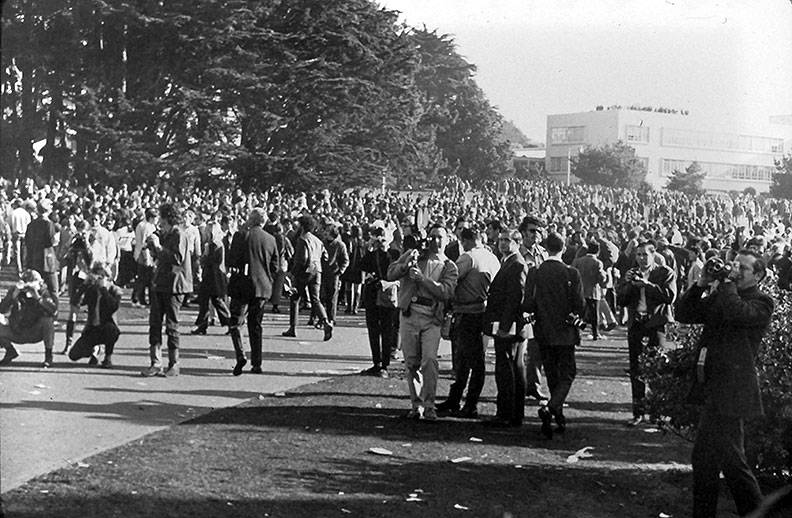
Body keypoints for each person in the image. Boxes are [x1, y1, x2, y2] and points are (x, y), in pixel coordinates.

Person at [676, 250, 773, 518]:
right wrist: (701, 284)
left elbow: (735, 313)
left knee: (732, 462)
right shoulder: (724, 295)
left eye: (743, 268)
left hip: (733, 390)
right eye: (734, 265)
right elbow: (684, 313)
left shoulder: (762, 302)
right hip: (713, 386)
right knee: (707, 459)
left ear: (759, 275)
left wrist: (727, 285)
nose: (735, 271)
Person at [388, 224, 458, 421]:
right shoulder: (416, 255)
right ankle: (416, 404)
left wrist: (422, 279)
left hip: (432, 318)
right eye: (433, 237)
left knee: (429, 360)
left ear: (447, 239)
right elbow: (391, 273)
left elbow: (445, 292)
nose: (436, 241)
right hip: (410, 314)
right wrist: (405, 265)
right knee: (411, 362)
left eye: (440, 237)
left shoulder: (449, 266)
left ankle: (429, 405)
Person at [524, 232, 585, 439]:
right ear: (564, 248)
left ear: (546, 247)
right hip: (565, 333)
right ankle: (551, 409)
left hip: (543, 331)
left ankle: (557, 415)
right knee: (567, 374)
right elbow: (580, 305)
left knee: (552, 374)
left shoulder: (536, 271)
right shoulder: (571, 273)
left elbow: (527, 304)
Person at [436, 227, 500, 419]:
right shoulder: (491, 258)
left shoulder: (468, 257)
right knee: (474, 358)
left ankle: (467, 403)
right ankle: (458, 399)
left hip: (467, 311)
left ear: (464, 240)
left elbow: (451, 279)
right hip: (484, 311)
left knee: (466, 358)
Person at [616, 240, 677, 426]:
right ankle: (638, 412)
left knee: (658, 369)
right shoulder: (633, 273)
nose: (642, 259)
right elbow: (622, 300)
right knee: (636, 369)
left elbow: (669, 296)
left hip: (656, 325)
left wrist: (646, 284)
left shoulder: (664, 272)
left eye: (645, 255)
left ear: (653, 255)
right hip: (637, 324)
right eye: (639, 255)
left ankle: (657, 413)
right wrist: (627, 284)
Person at [483, 229, 528, 428]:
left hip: (509, 326)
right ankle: (511, 413)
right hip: (508, 324)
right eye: (501, 239)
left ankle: (507, 413)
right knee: (512, 368)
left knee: (507, 369)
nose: (502, 243)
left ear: (517, 242)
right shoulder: (509, 261)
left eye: (507, 240)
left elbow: (515, 298)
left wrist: (505, 326)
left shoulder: (516, 264)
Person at [141, 203, 192, 378]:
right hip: (160, 282)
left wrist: (159, 247)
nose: (159, 222)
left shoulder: (179, 234)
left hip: (174, 285)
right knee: (154, 323)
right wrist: (153, 244)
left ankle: (174, 363)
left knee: (171, 324)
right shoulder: (168, 233)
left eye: (161, 218)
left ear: (167, 217)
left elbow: (177, 258)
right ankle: (155, 362)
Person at [227, 208, 280, 375]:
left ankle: (240, 354)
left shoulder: (241, 236)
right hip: (262, 286)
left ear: (250, 220)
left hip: (242, 283)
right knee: (255, 325)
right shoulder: (271, 239)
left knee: (236, 322)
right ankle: (257, 363)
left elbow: (231, 260)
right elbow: (275, 266)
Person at [282, 215, 333, 341]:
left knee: (295, 297)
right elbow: (325, 256)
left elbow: (302, 258)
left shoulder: (302, 239)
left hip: (305, 270)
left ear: (303, 226)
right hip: (317, 269)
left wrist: (294, 272)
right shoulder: (317, 240)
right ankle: (326, 321)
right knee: (315, 299)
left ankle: (293, 327)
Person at [359, 227, 400, 377]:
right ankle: (376, 362)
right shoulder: (371, 255)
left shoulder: (394, 254)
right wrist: (369, 247)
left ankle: (385, 364)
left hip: (387, 295)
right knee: (373, 330)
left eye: (383, 237)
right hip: (372, 295)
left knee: (387, 330)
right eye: (378, 238)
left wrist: (386, 249)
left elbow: (398, 274)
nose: (381, 240)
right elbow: (360, 266)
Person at [67, 262, 122, 368]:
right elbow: (75, 302)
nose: (99, 278)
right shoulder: (92, 289)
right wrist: (84, 286)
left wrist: (103, 289)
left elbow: (113, 307)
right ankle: (92, 350)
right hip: (92, 328)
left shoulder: (114, 290)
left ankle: (108, 358)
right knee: (73, 355)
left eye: (102, 276)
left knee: (111, 331)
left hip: (107, 326)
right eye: (97, 275)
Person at [0, 269, 58, 367]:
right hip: (17, 329)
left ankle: (48, 356)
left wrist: (38, 298)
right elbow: (2, 310)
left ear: (40, 283)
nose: (28, 287)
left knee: (47, 322)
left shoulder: (44, 292)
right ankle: (10, 351)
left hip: (35, 331)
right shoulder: (15, 290)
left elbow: (53, 311)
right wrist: (13, 296)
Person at [519, 215, 549, 402]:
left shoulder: (543, 254)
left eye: (538, 231)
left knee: (536, 349)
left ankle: (534, 385)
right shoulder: (518, 254)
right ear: (523, 233)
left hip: (539, 306)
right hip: (520, 305)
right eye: (531, 231)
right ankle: (519, 385)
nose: (535, 235)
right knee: (519, 350)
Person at [190, 223, 231, 335]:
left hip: (213, 276)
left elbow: (211, 261)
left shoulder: (214, 245)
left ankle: (228, 322)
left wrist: (204, 257)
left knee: (213, 301)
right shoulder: (217, 244)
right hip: (213, 276)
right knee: (211, 301)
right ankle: (204, 324)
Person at [63, 219, 93, 354]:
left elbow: (92, 259)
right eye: (80, 230)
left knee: (91, 313)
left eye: (84, 230)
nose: (81, 234)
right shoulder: (75, 243)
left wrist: (86, 242)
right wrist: (71, 240)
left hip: (87, 278)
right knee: (73, 311)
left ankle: (92, 346)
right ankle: (68, 342)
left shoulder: (91, 240)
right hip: (75, 278)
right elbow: (63, 255)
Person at [572, 240, 607, 340]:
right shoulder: (598, 263)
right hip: (593, 292)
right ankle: (595, 334)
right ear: (598, 251)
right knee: (594, 315)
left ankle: (578, 333)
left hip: (580, 291)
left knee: (579, 314)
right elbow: (601, 279)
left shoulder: (578, 261)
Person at [24, 199, 60, 294]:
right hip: (47, 260)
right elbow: (50, 241)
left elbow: (27, 242)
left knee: (34, 288)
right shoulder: (48, 223)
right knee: (53, 289)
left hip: (34, 259)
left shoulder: (31, 224)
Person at [320, 221, 349, 326]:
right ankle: (321, 318)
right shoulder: (322, 243)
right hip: (322, 272)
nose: (325, 233)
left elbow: (345, 260)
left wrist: (340, 271)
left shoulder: (340, 245)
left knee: (332, 298)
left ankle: (331, 318)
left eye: (328, 231)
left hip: (333, 274)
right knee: (320, 296)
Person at [132, 208, 157, 307]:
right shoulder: (146, 226)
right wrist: (147, 257)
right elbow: (144, 243)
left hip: (142, 252)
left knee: (143, 278)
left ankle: (138, 297)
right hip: (144, 253)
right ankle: (139, 298)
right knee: (144, 278)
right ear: (151, 217)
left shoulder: (145, 225)